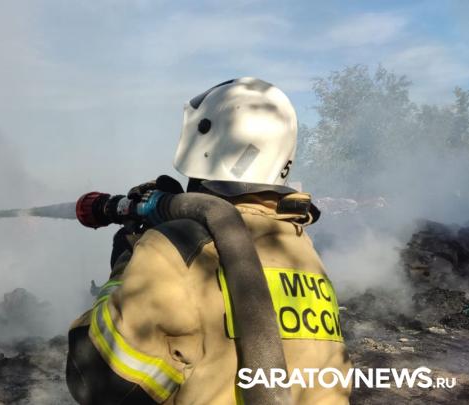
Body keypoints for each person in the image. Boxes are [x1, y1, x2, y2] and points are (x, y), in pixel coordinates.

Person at [66, 77, 351, 404]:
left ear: (204, 142)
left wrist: (125, 265)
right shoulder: (301, 249)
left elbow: (97, 383)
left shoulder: (178, 249)